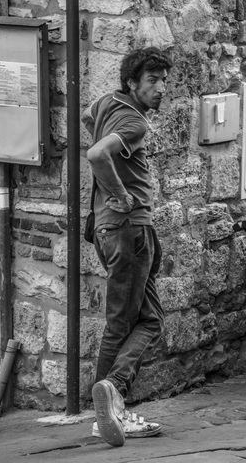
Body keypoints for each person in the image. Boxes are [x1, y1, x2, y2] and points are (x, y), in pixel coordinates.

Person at [84, 47, 171, 446]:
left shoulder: (106, 103)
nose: (161, 88)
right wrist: (119, 193)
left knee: (148, 318)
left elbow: (88, 117)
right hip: (129, 229)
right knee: (125, 322)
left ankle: (108, 407)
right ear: (132, 83)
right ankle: (112, 396)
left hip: (109, 231)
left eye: (163, 80)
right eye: (152, 81)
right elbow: (97, 152)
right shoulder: (134, 123)